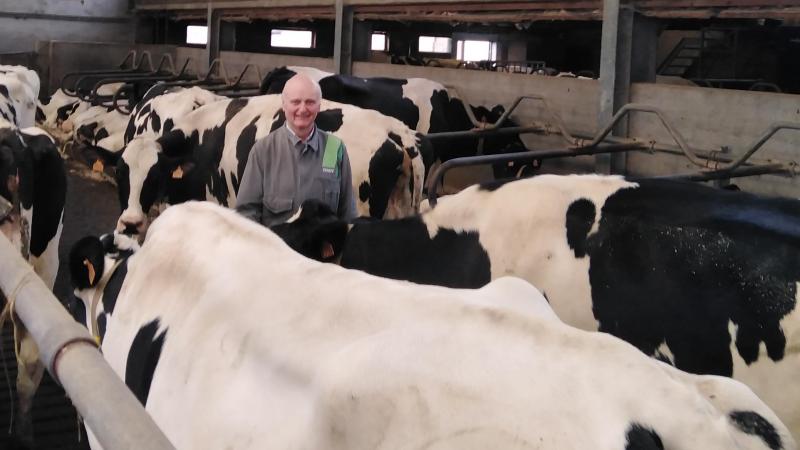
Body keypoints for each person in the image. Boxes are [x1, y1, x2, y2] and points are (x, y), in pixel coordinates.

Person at [236, 74, 357, 226]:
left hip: (321, 249)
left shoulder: (333, 148)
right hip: (278, 248)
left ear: (319, 106)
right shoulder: (264, 151)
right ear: (284, 105)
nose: (303, 109)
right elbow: (246, 213)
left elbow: (347, 214)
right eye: (295, 102)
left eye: (310, 102)